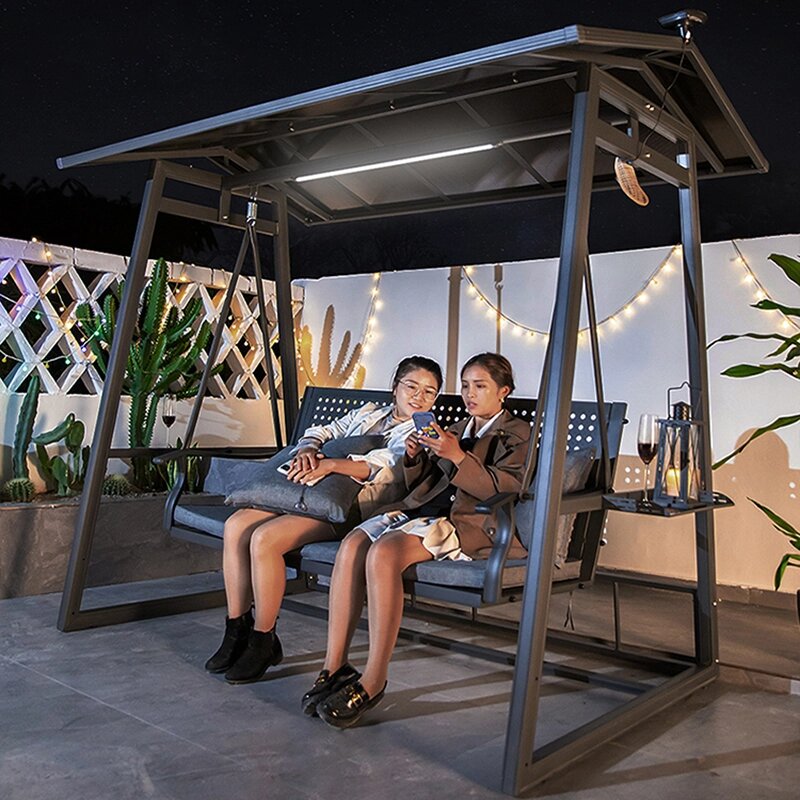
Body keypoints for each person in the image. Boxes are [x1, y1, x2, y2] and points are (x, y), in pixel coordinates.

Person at [304, 353, 530, 728]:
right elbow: (425, 485)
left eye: (480, 386)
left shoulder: (518, 433)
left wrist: (458, 456)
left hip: (468, 523)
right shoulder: (456, 427)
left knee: (384, 553)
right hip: (422, 511)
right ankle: (334, 666)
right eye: (465, 386)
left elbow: (504, 488)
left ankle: (373, 680)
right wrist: (415, 458)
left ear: (503, 391)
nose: (470, 394)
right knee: (354, 544)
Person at [206, 355, 443, 684]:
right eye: (412, 386)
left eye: (429, 392)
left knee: (264, 538)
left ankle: (263, 639)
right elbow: (325, 430)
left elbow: (384, 468)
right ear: (395, 387)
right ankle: (236, 629)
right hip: (312, 488)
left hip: (352, 506)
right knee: (236, 525)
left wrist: (329, 465)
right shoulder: (369, 413)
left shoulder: (421, 434)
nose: (418, 396)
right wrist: (307, 449)